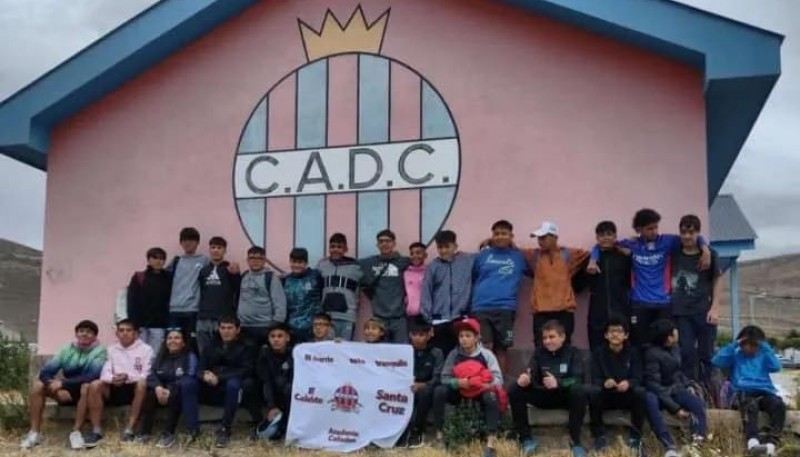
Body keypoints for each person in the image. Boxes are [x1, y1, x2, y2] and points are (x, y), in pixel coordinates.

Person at [587, 209, 711, 346]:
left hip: (663, 302)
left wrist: (706, 250)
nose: (654, 231)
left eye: (656, 227)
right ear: (639, 229)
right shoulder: (631, 244)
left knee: (665, 343)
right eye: (649, 228)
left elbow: (693, 237)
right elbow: (602, 245)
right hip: (639, 303)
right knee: (640, 344)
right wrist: (593, 260)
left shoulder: (668, 241)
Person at [21, 320, 107, 451]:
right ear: (76, 334)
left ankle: (76, 432)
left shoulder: (100, 351)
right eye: (81, 331)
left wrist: (62, 383)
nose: (84, 334)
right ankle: (34, 433)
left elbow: (93, 375)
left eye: (89, 332)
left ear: (95, 336)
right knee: (38, 385)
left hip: (88, 392)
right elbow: (46, 371)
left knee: (86, 386)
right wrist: (51, 385)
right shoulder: (66, 349)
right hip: (67, 391)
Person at [508, 320, 589, 457]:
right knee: (515, 388)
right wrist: (526, 379)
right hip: (543, 395)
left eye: (552, 337)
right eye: (544, 338)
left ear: (562, 337)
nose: (547, 341)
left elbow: (578, 378)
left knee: (579, 391)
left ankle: (575, 441)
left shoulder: (573, 353)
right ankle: (526, 439)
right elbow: (532, 373)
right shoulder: (539, 353)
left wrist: (558, 383)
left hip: (564, 396)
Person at [433, 318, 503, 457]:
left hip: (480, 391)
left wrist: (484, 385)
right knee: (439, 391)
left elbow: (498, 379)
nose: (464, 339)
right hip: (459, 390)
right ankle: (439, 436)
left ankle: (490, 443)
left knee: (490, 396)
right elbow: (444, 377)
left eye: (468, 336)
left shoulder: (486, 355)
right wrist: (456, 383)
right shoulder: (454, 354)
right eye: (461, 336)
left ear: (477, 337)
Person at [712, 325, 785, 456]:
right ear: (742, 343)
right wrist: (735, 344)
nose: (750, 349)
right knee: (750, 405)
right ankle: (753, 442)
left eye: (754, 345)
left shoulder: (763, 355)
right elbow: (717, 361)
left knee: (778, 405)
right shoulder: (735, 355)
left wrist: (765, 346)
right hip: (742, 391)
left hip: (764, 391)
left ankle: (772, 442)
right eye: (747, 345)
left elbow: (776, 366)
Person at [84, 319, 154, 448]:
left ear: (136, 333)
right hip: (114, 387)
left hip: (134, 389)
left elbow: (146, 373)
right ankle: (96, 431)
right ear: (117, 334)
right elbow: (104, 372)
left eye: (128, 330)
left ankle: (129, 430)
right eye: (121, 330)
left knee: (142, 383)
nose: (125, 333)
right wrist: (112, 379)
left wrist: (127, 377)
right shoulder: (111, 349)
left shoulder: (146, 350)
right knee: (95, 385)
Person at [471, 220, 529, 373]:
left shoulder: (519, 257)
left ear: (511, 236)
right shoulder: (482, 256)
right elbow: (474, 276)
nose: (500, 237)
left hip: (505, 308)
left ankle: (500, 386)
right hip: (481, 307)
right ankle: (482, 384)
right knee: (484, 348)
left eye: (504, 234)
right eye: (496, 234)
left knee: (502, 349)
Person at [644, 319, 707, 456]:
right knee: (650, 400)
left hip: (675, 389)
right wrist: (676, 409)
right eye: (674, 331)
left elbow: (677, 372)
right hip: (660, 393)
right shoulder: (652, 354)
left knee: (697, 404)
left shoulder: (675, 348)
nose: (677, 333)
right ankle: (668, 444)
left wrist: (688, 384)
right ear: (668, 337)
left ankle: (696, 443)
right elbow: (654, 385)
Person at [671, 215, 721, 388]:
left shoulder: (710, 254)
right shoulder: (674, 251)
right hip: (681, 313)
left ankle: (709, 391)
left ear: (698, 233)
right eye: (683, 232)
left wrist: (715, 308)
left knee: (707, 353)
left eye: (691, 232)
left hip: (703, 311)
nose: (686, 236)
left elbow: (716, 280)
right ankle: (689, 388)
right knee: (686, 352)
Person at [198, 316, 262, 447]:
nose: (226, 331)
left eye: (230, 328)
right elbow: (200, 367)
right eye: (223, 328)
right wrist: (204, 375)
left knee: (234, 384)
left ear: (238, 329)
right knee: (190, 382)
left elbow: (247, 370)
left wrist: (219, 376)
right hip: (212, 387)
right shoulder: (211, 343)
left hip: (238, 387)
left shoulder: (248, 345)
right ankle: (192, 429)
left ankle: (225, 429)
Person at [524, 221, 589, 346]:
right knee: (540, 347)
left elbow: (591, 255)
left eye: (543, 238)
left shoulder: (568, 254)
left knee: (565, 346)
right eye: (539, 238)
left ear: (555, 237)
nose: (540, 241)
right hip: (541, 311)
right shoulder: (534, 255)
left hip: (564, 310)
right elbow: (513, 250)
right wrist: (489, 241)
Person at [588, 314, 646, 454]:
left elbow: (638, 377)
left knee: (640, 392)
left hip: (626, 394)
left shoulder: (633, 352)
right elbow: (594, 378)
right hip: (606, 395)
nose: (615, 335)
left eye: (619, 331)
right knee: (593, 392)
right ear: (606, 335)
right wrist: (604, 383)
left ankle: (635, 437)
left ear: (625, 335)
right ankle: (600, 436)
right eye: (611, 331)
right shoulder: (598, 353)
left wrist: (628, 383)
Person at [137, 328, 200, 448]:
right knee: (150, 394)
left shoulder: (190, 357)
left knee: (176, 395)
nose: (173, 341)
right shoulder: (160, 356)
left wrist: (170, 390)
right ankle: (144, 433)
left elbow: (189, 376)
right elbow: (151, 374)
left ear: (183, 342)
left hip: (178, 391)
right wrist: (158, 387)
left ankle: (168, 434)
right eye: (170, 338)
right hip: (161, 390)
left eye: (177, 338)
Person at [421, 230, 473, 356]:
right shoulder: (433, 266)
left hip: (460, 317)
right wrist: (428, 320)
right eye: (440, 247)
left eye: (447, 247)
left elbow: (486, 255)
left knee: (462, 354)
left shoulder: (467, 261)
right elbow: (426, 293)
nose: (443, 250)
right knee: (441, 355)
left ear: (455, 246)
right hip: (439, 320)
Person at [586, 221, 631, 351]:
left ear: (615, 237)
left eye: (609, 234)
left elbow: (630, 281)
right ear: (597, 238)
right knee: (596, 345)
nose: (605, 237)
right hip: (597, 311)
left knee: (621, 346)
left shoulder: (624, 258)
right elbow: (580, 285)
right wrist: (588, 272)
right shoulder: (591, 259)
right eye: (601, 235)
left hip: (620, 308)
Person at [360, 229, 411, 343]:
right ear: (377, 244)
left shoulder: (404, 261)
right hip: (379, 318)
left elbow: (419, 267)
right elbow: (351, 266)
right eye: (381, 241)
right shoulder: (368, 263)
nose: (384, 244)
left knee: (401, 353)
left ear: (394, 243)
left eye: (388, 241)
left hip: (399, 318)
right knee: (381, 355)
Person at [168, 227, 210, 350]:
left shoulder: (204, 260)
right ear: (181, 243)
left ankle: (192, 369)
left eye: (191, 240)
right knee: (174, 345)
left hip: (193, 309)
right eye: (184, 240)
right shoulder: (176, 261)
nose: (188, 243)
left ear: (197, 242)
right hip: (174, 309)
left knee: (192, 345)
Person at [197, 237, 241, 355]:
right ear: (209, 250)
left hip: (223, 318)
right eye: (213, 247)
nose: (216, 250)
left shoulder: (230, 269)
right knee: (203, 352)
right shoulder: (203, 271)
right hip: (203, 318)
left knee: (222, 351)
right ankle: (205, 372)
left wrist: (236, 274)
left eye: (219, 248)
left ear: (225, 250)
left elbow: (237, 290)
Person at [404, 317, 444, 448]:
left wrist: (423, 385)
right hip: (407, 386)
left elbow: (438, 376)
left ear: (428, 335)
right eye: (414, 334)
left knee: (426, 393)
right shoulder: (404, 351)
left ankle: (417, 431)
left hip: (426, 387)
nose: (417, 338)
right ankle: (399, 432)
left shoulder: (436, 352)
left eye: (421, 335)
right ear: (410, 335)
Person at [317, 233, 364, 340]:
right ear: (329, 248)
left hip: (347, 316)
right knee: (327, 350)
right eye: (332, 246)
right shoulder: (322, 265)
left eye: (339, 247)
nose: (336, 250)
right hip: (327, 317)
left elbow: (369, 282)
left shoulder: (356, 266)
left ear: (345, 249)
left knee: (345, 350)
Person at [238, 246, 287, 348]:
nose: (255, 261)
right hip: (244, 327)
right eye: (252, 258)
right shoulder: (244, 276)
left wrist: (276, 324)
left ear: (264, 260)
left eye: (259, 258)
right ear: (247, 260)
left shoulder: (271, 277)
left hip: (264, 327)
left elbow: (280, 302)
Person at [126, 247, 171, 352]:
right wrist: (134, 324)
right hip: (141, 324)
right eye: (155, 258)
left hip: (159, 324)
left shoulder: (168, 278)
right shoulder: (139, 277)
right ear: (149, 260)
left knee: (155, 354)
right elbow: (132, 301)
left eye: (161, 258)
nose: (158, 261)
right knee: (139, 352)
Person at [255, 323, 294, 441]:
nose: (276, 339)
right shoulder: (264, 353)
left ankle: (286, 427)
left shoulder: (295, 353)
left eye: (280, 336)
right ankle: (261, 422)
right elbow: (266, 381)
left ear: (287, 338)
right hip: (271, 393)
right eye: (272, 336)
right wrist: (272, 406)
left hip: (290, 394)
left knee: (289, 387)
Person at [282, 248, 323, 343]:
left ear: (306, 263)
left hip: (312, 328)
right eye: (294, 262)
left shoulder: (316, 276)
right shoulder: (286, 280)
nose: (296, 265)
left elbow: (322, 295)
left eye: (300, 262)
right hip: (292, 328)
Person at [404, 242, 428, 319]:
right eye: (412, 253)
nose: (415, 256)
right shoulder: (405, 273)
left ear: (425, 255)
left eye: (418, 253)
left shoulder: (430, 272)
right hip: (410, 317)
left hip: (427, 317)